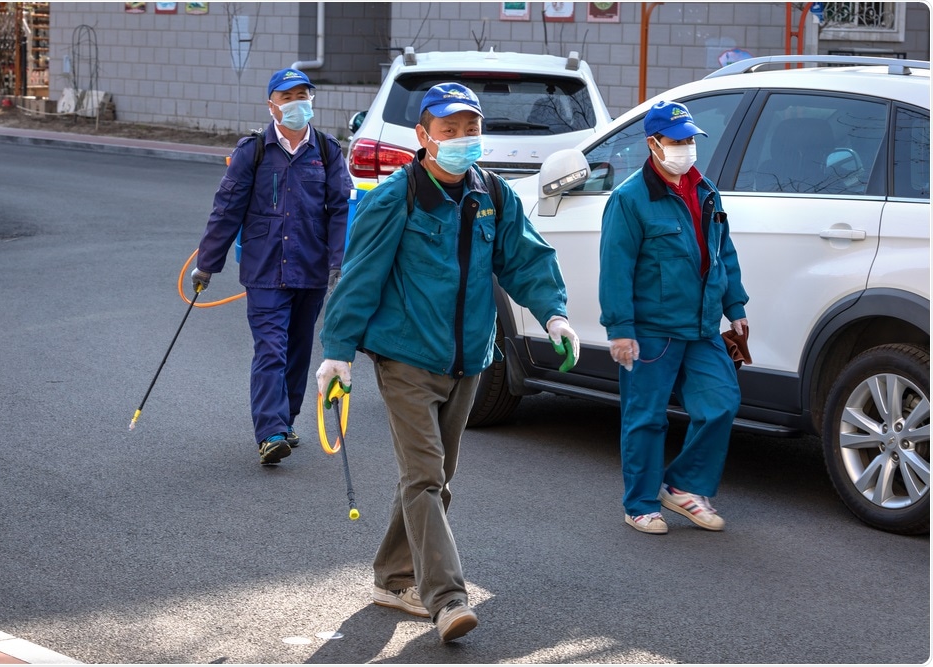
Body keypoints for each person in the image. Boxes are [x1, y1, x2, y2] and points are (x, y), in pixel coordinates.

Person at [315, 83, 579, 642]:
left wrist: (554, 314)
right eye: (449, 130)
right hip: (406, 358)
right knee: (427, 475)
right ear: (423, 136)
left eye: (470, 129)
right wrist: (337, 353)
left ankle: (391, 574)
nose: (462, 140)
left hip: (469, 360)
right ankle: (447, 599)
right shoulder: (395, 198)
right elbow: (358, 277)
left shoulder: (494, 195)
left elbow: (525, 259)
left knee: (433, 477)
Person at [598, 100, 749, 535]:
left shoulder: (705, 189)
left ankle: (682, 487)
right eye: (676, 141)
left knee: (721, 404)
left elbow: (723, 254)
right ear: (653, 144)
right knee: (646, 417)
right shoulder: (629, 198)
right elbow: (616, 267)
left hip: (701, 327)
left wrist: (734, 306)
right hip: (651, 330)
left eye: (689, 140)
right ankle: (641, 503)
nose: (685, 149)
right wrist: (620, 330)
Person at [192, 68, 351, 466]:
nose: (297, 102)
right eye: (287, 96)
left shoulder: (329, 152)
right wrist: (206, 265)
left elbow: (340, 213)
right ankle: (271, 432)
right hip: (264, 270)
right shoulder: (253, 151)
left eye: (303, 94)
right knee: (271, 349)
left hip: (312, 270)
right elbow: (226, 211)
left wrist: (339, 263)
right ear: (271, 105)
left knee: (298, 350)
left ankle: (286, 419)